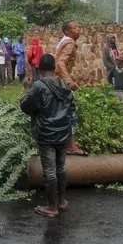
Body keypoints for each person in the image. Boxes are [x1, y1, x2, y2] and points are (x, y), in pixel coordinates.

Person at [20, 54, 73, 217]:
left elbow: (26, 107)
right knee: (60, 168)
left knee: (50, 171)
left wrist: (27, 91)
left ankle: (52, 207)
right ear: (54, 68)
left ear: (40, 68)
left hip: (46, 133)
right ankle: (62, 201)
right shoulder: (63, 83)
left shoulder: (38, 86)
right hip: (64, 132)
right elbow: (71, 105)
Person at [54, 21, 86, 156]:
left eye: (79, 27)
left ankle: (62, 145)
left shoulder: (64, 41)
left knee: (59, 114)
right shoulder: (70, 42)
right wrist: (69, 81)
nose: (78, 30)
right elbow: (61, 63)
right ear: (67, 31)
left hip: (55, 81)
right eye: (75, 28)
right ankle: (71, 147)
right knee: (71, 115)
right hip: (60, 83)